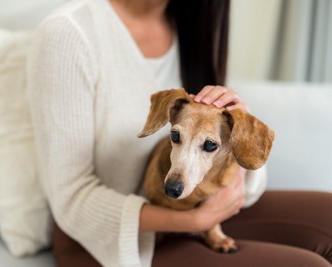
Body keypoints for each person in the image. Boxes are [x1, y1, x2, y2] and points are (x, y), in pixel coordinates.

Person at [26, 0, 332, 266]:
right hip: (101, 238)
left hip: (198, 201)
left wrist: (242, 128)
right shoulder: (68, 34)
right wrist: (193, 222)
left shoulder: (192, 24)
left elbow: (229, 160)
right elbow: (70, 198)